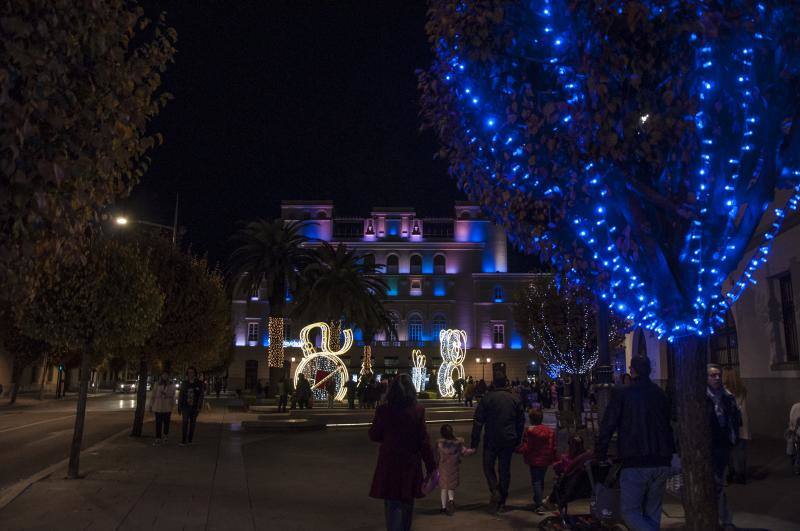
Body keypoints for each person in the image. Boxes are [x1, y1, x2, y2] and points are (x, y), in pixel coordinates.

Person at [595, 355, 674, 531]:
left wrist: (600, 453)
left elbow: (608, 425)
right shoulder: (660, 394)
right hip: (661, 459)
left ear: (633, 371)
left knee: (630, 511)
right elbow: (668, 424)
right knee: (652, 511)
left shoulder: (623, 394)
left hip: (635, 459)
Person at [369, 374, 436, 531]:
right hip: (410, 463)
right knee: (407, 503)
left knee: (392, 504)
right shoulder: (418, 410)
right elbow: (423, 441)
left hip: (389, 463)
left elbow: (374, 435)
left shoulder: (383, 410)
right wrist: (431, 466)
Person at [470, 370, 525, 513]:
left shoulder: (487, 399)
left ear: (493, 383)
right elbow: (520, 422)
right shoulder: (514, 399)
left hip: (491, 438)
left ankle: (495, 490)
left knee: (488, 466)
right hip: (508, 439)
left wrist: (474, 443)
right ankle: (502, 498)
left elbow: (478, 422)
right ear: (506, 382)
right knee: (504, 469)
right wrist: (518, 439)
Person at [707, 364, 741, 531]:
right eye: (713, 375)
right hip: (708, 444)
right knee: (715, 483)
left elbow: (733, 418)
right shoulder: (704, 397)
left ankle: (725, 519)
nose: (717, 378)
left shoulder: (727, 397)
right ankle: (722, 519)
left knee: (719, 482)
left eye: (718, 375)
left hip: (721, 445)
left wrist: (733, 438)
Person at [516, 408, 557, 514]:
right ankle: (538, 499)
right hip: (546, 459)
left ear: (531, 419)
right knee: (540, 479)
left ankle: (539, 504)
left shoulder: (529, 431)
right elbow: (552, 446)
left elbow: (527, 446)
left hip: (534, 459)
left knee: (536, 481)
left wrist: (517, 450)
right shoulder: (549, 431)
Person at [436, 423, 475, 515]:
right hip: (453, 467)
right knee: (451, 486)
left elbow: (435, 456)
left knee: (444, 488)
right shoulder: (457, 444)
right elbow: (464, 452)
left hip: (443, 468)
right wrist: (473, 450)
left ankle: (443, 507)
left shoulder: (439, 445)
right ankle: (451, 500)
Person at [722, 367, 749, 484]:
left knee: (729, 450)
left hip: (729, 425)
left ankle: (731, 472)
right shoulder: (742, 391)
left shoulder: (724, 391)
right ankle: (741, 474)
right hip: (742, 424)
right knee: (740, 450)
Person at [178, 366, 205, 447]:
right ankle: (183, 440)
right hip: (185, 407)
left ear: (195, 373)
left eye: (192, 372)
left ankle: (190, 440)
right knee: (185, 423)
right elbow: (181, 395)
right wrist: (179, 407)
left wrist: (199, 406)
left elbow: (201, 395)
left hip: (194, 407)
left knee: (192, 424)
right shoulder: (184, 383)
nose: (190, 374)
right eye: (189, 372)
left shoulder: (199, 383)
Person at [148, 371, 176, 446]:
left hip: (167, 406)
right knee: (158, 423)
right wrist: (150, 405)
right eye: (163, 375)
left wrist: (173, 404)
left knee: (166, 422)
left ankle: (165, 434)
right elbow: (153, 395)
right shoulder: (157, 384)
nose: (165, 376)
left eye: (166, 375)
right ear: (161, 376)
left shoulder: (171, 384)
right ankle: (158, 438)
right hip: (158, 406)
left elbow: (173, 395)